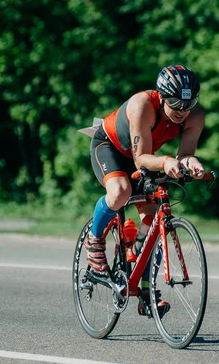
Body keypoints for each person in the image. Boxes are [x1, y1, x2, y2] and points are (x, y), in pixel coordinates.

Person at [87, 65, 206, 315]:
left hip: (148, 156)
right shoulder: (143, 104)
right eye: (175, 104)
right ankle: (94, 240)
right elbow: (140, 159)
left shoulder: (194, 115)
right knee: (120, 191)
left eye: (190, 104)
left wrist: (193, 164)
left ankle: (146, 292)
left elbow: (185, 154)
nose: (183, 112)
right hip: (113, 148)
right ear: (161, 97)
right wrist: (165, 162)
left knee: (154, 221)